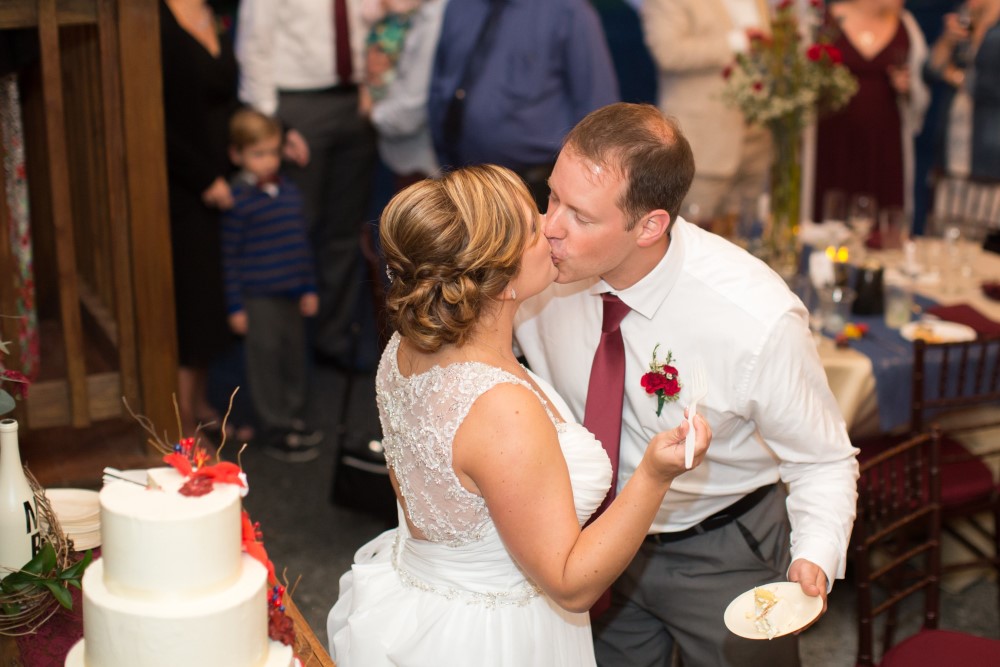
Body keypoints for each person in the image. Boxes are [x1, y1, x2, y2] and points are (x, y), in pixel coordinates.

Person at [515, 103, 859, 667]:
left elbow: (822, 459)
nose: (549, 227)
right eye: (551, 196)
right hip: (589, 549)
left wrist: (814, 555)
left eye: (579, 214)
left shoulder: (755, 319)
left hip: (723, 550)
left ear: (650, 225)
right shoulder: (539, 270)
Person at [326, 165, 711, 667]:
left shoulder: (406, 346)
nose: (551, 227)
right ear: (501, 279)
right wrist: (655, 477)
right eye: (533, 227)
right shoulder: (501, 409)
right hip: (491, 639)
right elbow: (571, 584)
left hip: (419, 601)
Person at [235, 0, 378, 367]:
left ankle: (334, 340)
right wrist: (274, 125)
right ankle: (286, 349)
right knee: (293, 230)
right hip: (297, 106)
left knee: (345, 232)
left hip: (355, 101)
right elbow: (254, 45)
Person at [427, 0, 619, 211]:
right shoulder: (459, 6)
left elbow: (598, 111)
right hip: (466, 184)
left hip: (537, 191)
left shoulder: (568, 10)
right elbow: (439, 86)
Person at [221, 109, 322, 462]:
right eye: (258, 154)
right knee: (263, 363)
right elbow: (229, 257)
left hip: (291, 294)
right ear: (237, 155)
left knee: (293, 358)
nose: (268, 161)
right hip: (257, 298)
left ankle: (292, 418)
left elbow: (301, 245)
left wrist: (309, 288)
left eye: (273, 152)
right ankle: (273, 427)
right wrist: (235, 306)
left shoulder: (289, 193)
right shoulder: (237, 199)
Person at [160, 0, 239, 439]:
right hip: (182, 183)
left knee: (211, 292)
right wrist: (202, 176)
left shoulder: (217, 10)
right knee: (191, 299)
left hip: (219, 182)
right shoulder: (153, 18)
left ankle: (201, 402)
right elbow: (155, 117)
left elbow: (226, 96)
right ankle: (182, 420)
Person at [640, 0, 773, 224]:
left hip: (756, 137)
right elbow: (668, 52)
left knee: (747, 234)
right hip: (703, 140)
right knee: (691, 235)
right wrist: (737, 42)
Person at [812, 0, 929, 223]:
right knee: (830, 206)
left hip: (884, 141)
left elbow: (920, 88)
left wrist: (906, 88)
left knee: (882, 209)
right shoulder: (825, 21)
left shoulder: (907, 25)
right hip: (833, 139)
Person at [926, 0, 1000, 223]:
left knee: (986, 236)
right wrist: (947, 41)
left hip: (991, 155)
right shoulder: (963, 16)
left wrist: (956, 77)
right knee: (945, 229)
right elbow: (929, 70)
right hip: (953, 146)